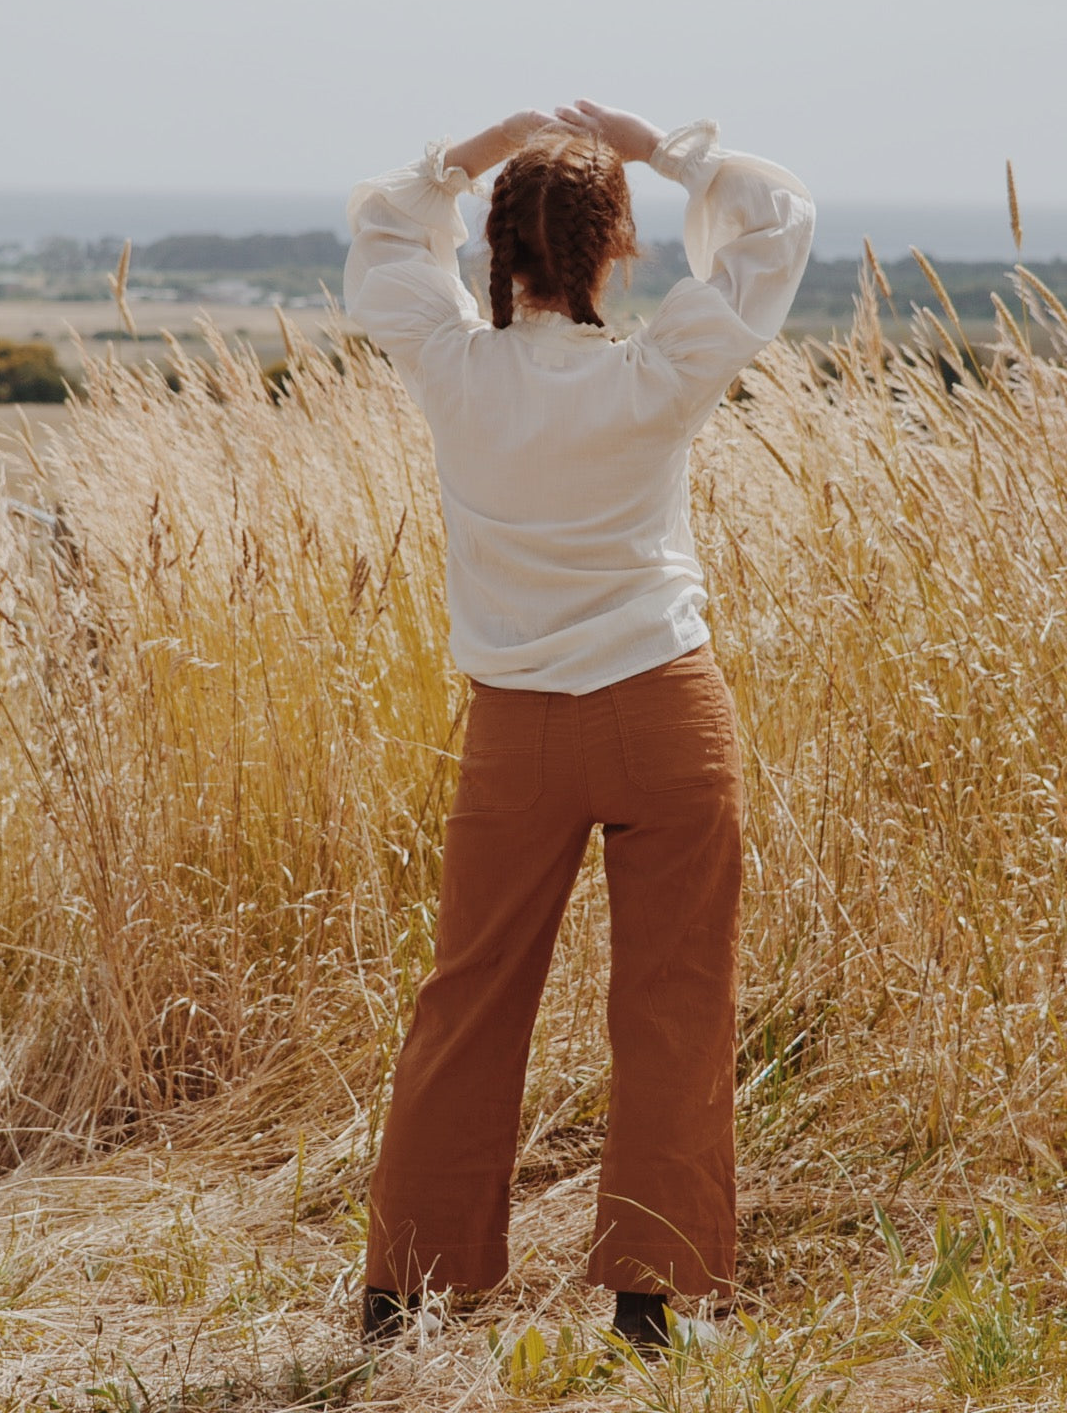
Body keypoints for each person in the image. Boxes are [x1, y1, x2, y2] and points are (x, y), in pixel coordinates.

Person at [343, 100, 814, 1351]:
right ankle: (651, 1306)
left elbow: (385, 234)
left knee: (471, 993)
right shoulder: (655, 373)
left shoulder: (451, 366)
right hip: (665, 708)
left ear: (497, 251)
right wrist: (666, 149)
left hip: (516, 730)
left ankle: (408, 1288)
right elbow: (776, 224)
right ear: (617, 253)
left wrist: (466, 154)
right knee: (676, 997)